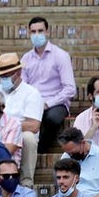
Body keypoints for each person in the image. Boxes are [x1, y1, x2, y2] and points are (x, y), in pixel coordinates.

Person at [20, 16, 75, 151]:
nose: (37, 35)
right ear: (29, 33)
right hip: (33, 102)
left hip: (55, 103)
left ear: (47, 32)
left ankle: (40, 149)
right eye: (33, 32)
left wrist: (48, 103)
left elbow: (70, 89)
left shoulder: (61, 56)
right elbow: (22, 86)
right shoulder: (26, 58)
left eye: (40, 31)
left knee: (51, 118)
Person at [0, 53, 41, 189]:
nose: (4, 79)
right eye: (2, 76)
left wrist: (9, 126)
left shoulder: (32, 93)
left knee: (29, 137)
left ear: (18, 72)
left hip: (20, 134)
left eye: (7, 75)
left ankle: (26, 181)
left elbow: (34, 125)